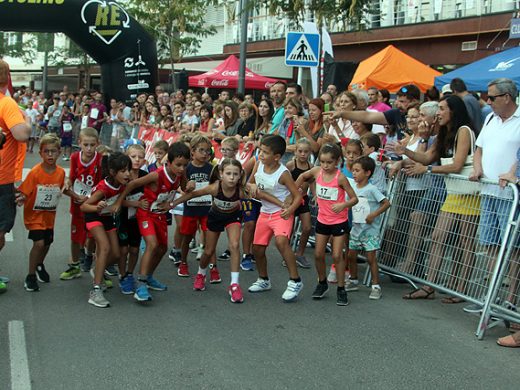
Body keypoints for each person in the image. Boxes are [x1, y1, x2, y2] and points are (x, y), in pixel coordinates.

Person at [390, 95, 479, 301]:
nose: (437, 113)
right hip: (454, 192)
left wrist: (428, 169)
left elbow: (457, 165)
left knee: (466, 241)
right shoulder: (443, 133)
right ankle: (429, 285)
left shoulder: (464, 131)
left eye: (441, 108)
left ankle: (462, 290)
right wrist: (406, 151)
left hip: (469, 193)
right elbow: (426, 157)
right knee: (438, 236)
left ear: (453, 111)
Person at [466, 78, 520, 312]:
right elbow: (480, 148)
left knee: (513, 247)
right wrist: (477, 168)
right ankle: (492, 296)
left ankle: (510, 297)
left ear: (506, 97)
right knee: (490, 243)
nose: (488, 102)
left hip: (510, 194)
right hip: (488, 191)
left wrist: (512, 172)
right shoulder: (490, 118)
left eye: (492, 97)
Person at [115, 142, 191, 303]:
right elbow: (133, 184)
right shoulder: (157, 175)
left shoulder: (180, 174)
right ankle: (141, 284)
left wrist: (189, 184)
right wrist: (119, 202)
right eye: (178, 165)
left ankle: (148, 276)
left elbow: (184, 188)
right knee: (152, 244)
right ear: (168, 162)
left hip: (160, 215)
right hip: (146, 214)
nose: (182, 168)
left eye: (185, 165)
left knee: (163, 248)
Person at [296, 143, 358, 305]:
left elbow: (354, 198)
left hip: (339, 221)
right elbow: (303, 177)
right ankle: (322, 283)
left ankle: (341, 288)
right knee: (318, 254)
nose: (325, 166)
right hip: (323, 220)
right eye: (322, 162)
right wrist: (295, 192)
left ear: (337, 161)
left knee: (337, 255)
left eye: (329, 162)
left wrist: (343, 205)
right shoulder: (317, 172)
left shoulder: (341, 178)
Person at [247, 134, 304, 302]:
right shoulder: (258, 165)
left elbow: (297, 196)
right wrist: (250, 188)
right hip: (265, 212)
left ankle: (295, 281)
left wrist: (290, 210)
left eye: (265, 152)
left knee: (281, 242)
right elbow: (249, 184)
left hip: (282, 213)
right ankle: (263, 280)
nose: (261, 154)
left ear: (277, 157)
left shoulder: (283, 173)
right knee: (257, 249)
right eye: (260, 150)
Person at [80, 152, 131, 307]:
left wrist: (127, 204)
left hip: (107, 217)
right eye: (123, 171)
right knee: (105, 248)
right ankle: (95, 291)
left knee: (116, 254)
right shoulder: (103, 188)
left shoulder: (122, 183)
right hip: (93, 216)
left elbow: (123, 196)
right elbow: (84, 206)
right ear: (113, 172)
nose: (127, 174)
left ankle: (98, 270)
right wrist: (97, 206)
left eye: (128, 170)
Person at [16, 134, 66, 291]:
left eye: (53, 151)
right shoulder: (35, 172)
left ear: (59, 152)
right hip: (34, 216)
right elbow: (24, 191)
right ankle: (30, 276)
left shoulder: (60, 173)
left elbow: (63, 187)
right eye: (46, 152)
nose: (50, 155)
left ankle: (39, 264)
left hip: (49, 216)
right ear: (41, 153)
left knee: (47, 243)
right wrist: (21, 198)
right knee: (39, 244)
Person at [0, 59, 32, 293]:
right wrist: (28, 120)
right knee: (1, 229)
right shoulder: (6, 103)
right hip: (1, 178)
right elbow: (21, 134)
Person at [60, 127, 103, 279]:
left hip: (92, 203)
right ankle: (74, 265)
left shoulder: (101, 159)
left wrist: (91, 198)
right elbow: (71, 176)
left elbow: (101, 184)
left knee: (94, 235)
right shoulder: (74, 157)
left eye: (92, 145)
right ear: (79, 143)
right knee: (75, 235)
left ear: (97, 143)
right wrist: (68, 184)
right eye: (86, 145)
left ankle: (94, 261)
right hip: (77, 202)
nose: (89, 148)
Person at [346, 156, 391, 299]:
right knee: (351, 255)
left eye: (357, 171)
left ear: (367, 173)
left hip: (370, 230)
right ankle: (353, 280)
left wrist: (374, 214)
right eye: (353, 170)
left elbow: (386, 203)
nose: (354, 173)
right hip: (356, 228)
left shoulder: (372, 189)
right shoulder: (352, 187)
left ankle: (376, 286)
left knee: (371, 258)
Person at [177, 135, 214, 279]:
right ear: (192, 151)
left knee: (210, 237)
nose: (205, 154)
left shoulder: (212, 168)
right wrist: (186, 188)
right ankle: (183, 262)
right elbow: (180, 187)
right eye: (201, 150)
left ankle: (211, 266)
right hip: (191, 209)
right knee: (187, 237)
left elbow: (215, 186)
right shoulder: (187, 168)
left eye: (208, 151)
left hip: (207, 209)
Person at [329, 84, 421, 139]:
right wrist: (341, 114)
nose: (397, 104)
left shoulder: (423, 116)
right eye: (397, 100)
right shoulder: (396, 113)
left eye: (402, 101)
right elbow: (367, 116)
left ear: (414, 101)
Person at [117, 144, 148, 295]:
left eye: (140, 157)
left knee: (134, 249)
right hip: (122, 217)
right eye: (133, 156)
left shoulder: (145, 176)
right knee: (123, 249)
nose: (137, 160)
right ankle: (122, 275)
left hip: (138, 218)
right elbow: (116, 200)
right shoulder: (123, 175)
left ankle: (130, 274)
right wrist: (135, 203)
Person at [286, 138, 313, 269]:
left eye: (306, 152)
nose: (303, 154)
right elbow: (283, 180)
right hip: (291, 199)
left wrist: (317, 195)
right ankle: (287, 255)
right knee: (289, 229)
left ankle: (300, 254)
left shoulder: (311, 167)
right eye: (300, 151)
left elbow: (312, 182)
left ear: (310, 153)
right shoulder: (291, 165)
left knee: (307, 227)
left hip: (304, 199)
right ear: (295, 152)